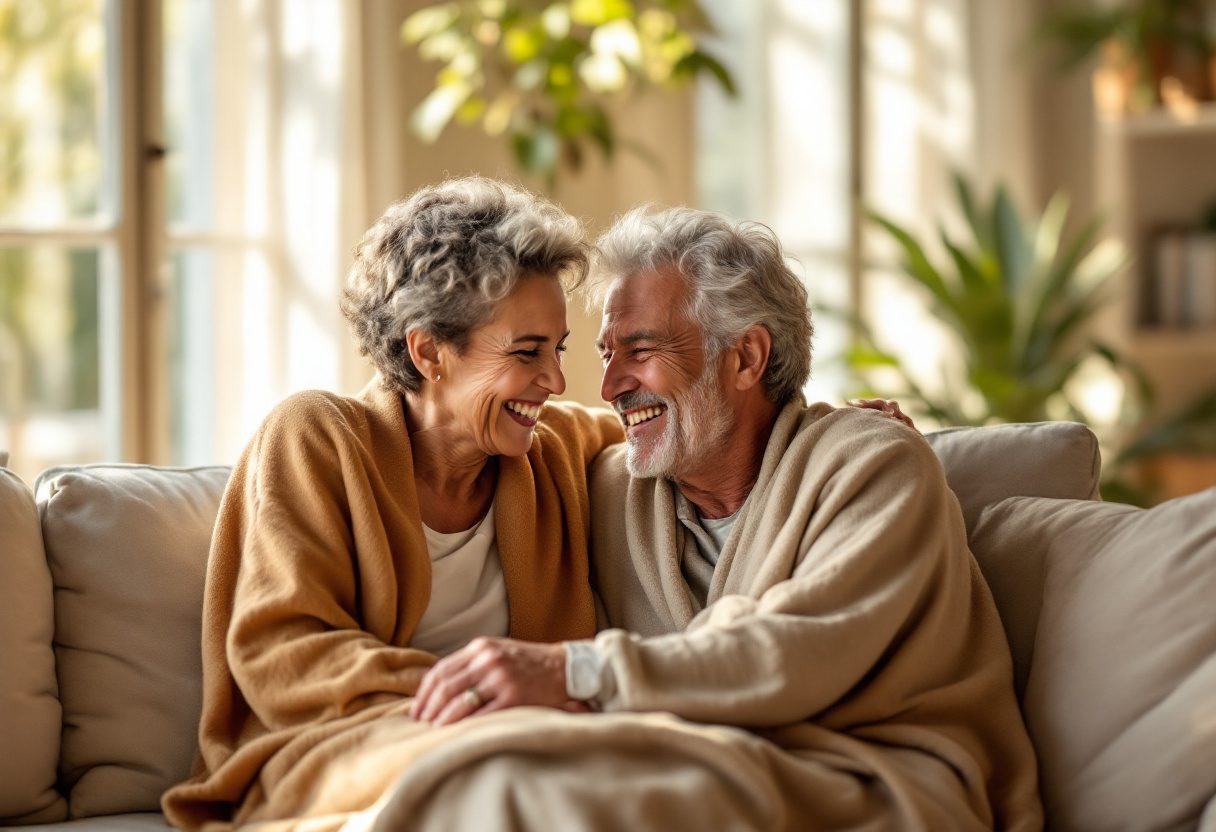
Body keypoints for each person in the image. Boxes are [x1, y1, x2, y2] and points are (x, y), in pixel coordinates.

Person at [410, 207, 1044, 829]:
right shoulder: (610, 486)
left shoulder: (873, 467)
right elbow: (487, 435)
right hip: (704, 769)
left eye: (640, 349)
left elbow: (796, 652)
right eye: (606, 354)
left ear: (746, 358)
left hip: (875, 780)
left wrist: (575, 670)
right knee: (487, 781)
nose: (610, 386)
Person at [161, 177, 624, 828]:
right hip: (335, 746)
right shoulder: (317, 436)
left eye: (558, 349)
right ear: (428, 350)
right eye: (528, 353)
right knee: (514, 775)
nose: (554, 380)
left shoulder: (556, 450)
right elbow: (286, 651)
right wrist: (493, 697)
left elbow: (690, 441)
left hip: (515, 741)